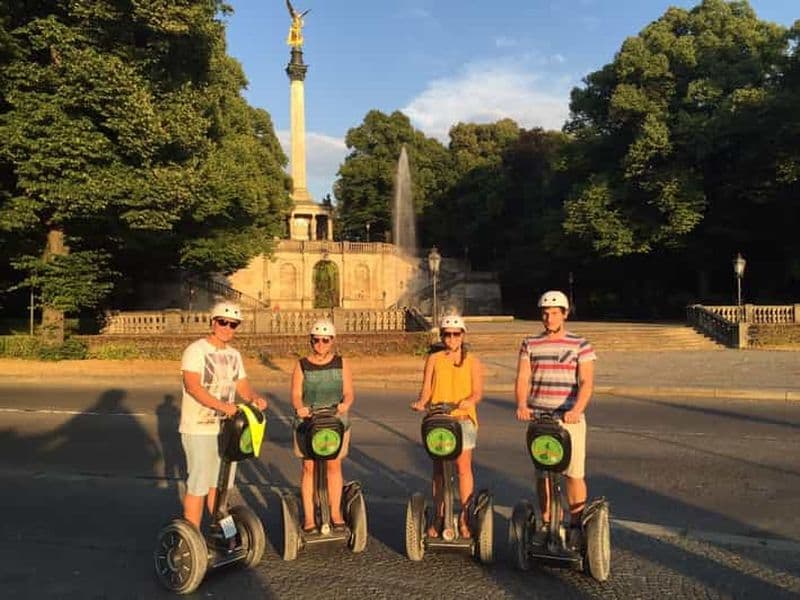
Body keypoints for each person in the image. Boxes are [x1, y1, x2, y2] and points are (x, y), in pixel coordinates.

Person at [515, 290, 596, 548]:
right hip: (540, 419)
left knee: (573, 474)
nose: (548, 318)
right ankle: (548, 521)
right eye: (545, 313)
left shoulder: (580, 344)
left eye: (553, 313)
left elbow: (586, 382)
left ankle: (575, 524)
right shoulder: (530, 343)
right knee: (544, 474)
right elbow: (523, 378)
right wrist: (521, 404)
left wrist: (577, 409)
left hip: (568, 420)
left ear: (565, 314)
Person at [179, 301, 268, 529]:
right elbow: (193, 387)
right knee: (199, 484)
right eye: (223, 322)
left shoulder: (234, 355)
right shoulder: (195, 350)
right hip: (199, 427)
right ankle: (193, 537)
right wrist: (224, 406)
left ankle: (227, 536)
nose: (227, 328)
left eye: (233, 324)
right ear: (213, 322)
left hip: (226, 429)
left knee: (219, 486)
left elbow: (242, 385)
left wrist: (253, 399)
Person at [411, 314, 484, 539]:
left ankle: (464, 516)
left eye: (455, 334)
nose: (451, 338)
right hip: (439, 419)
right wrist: (421, 403)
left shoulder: (472, 361)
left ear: (462, 336)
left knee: (463, 469)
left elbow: (477, 392)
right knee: (440, 471)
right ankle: (440, 515)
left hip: (462, 420)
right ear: (442, 336)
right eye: (447, 334)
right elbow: (427, 389)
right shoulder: (434, 359)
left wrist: (469, 401)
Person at [290, 318, 354, 533]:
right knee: (309, 467)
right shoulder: (302, 365)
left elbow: (349, 392)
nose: (320, 344)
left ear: (332, 341)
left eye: (325, 340)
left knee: (333, 465)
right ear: (311, 341)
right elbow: (296, 394)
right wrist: (300, 407)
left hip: (335, 421)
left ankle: (335, 512)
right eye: (316, 340)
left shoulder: (341, 362)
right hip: (308, 422)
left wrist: (345, 404)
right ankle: (309, 517)